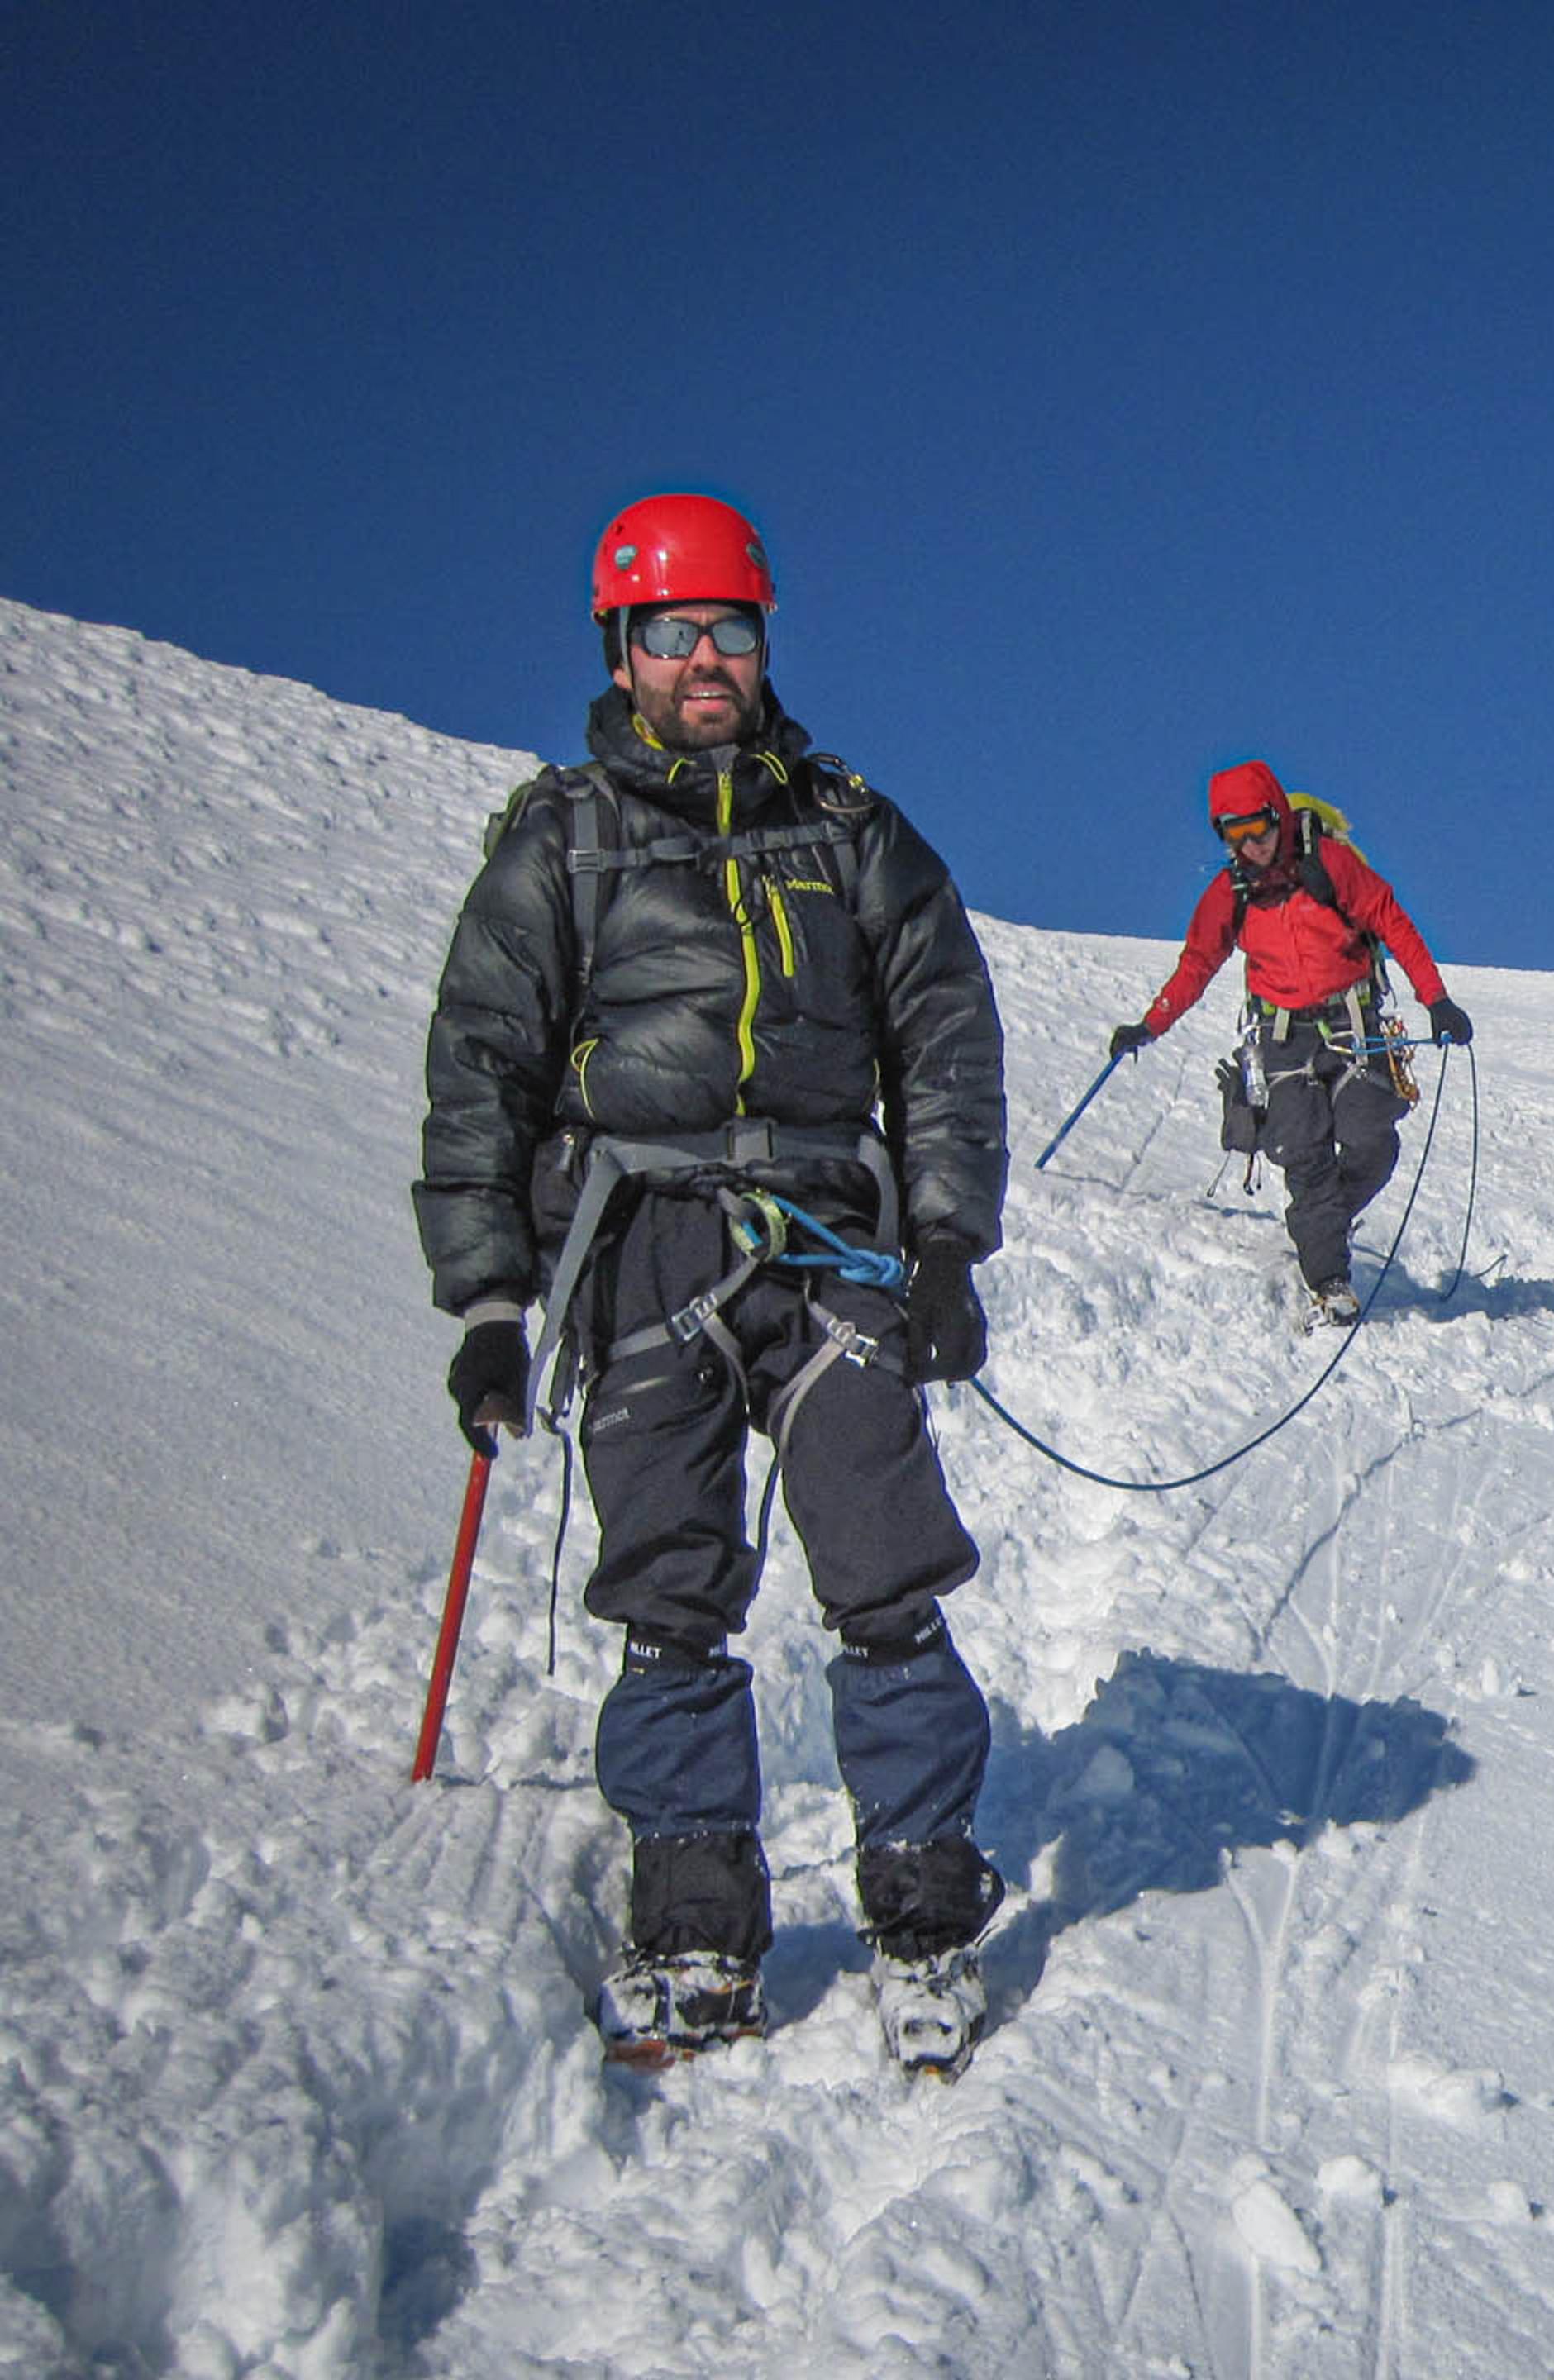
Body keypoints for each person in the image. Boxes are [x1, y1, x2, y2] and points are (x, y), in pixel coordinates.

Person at [415, 493, 1011, 2074]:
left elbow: (943, 1033)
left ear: (762, 646)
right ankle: (690, 1918)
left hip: (828, 1241)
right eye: (671, 633)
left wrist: (948, 1240)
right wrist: (489, 1302)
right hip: (646, 1245)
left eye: (728, 631)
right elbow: (484, 1065)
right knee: (669, 1592)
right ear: (620, 648)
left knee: (885, 1571)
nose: (703, 660)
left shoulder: (851, 830)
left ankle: (926, 1907)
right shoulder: (564, 838)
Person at [1109, 762, 1471, 1326]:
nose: (1251, 846)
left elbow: (1390, 919)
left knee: (1371, 1139)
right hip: (1281, 1038)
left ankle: (1321, 1223)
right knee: (1304, 1153)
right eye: (1235, 835)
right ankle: (1329, 1280)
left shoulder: (1330, 865)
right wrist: (1151, 1024)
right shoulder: (1230, 892)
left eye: (1258, 829)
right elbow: (1199, 961)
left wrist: (1437, 999)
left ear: (1277, 816)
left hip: (1354, 1025)